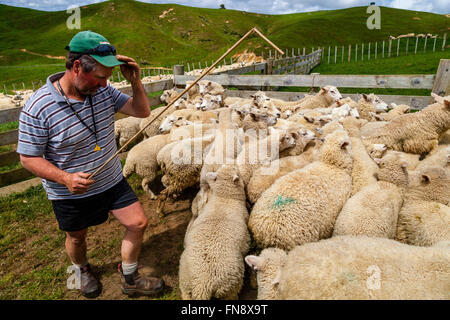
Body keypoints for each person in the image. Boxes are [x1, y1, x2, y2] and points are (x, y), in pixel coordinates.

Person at [17, 30, 164, 298]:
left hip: (111, 180)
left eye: (107, 79)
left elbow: (142, 112)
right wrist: (65, 179)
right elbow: (28, 157)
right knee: (76, 237)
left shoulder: (104, 92)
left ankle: (130, 278)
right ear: (76, 67)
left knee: (138, 223)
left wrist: (135, 82)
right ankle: (82, 269)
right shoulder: (38, 107)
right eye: (99, 77)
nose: (104, 84)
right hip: (70, 191)